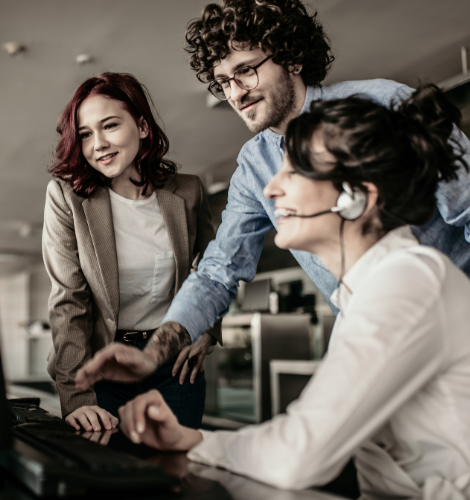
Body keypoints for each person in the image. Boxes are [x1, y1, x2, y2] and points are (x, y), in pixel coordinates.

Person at [74, 0, 470, 388]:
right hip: (372, 340)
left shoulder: (382, 103)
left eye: (245, 71)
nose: (235, 92)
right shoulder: (254, 164)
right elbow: (219, 269)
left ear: (292, 58)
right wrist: (151, 356)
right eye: (224, 81)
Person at [108, 85, 470, 498]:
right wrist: (191, 440)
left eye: (294, 171)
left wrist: (201, 442)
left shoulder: (406, 283)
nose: (270, 189)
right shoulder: (369, 293)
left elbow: (297, 455)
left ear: (354, 198)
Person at [43, 72, 220, 431]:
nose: (98, 144)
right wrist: (75, 398)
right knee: (109, 480)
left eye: (109, 126)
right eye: (86, 134)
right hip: (103, 368)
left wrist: (208, 330)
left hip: (175, 366)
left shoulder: (188, 193)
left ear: (142, 126)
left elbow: (214, 272)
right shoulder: (67, 199)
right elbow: (69, 303)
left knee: (173, 479)